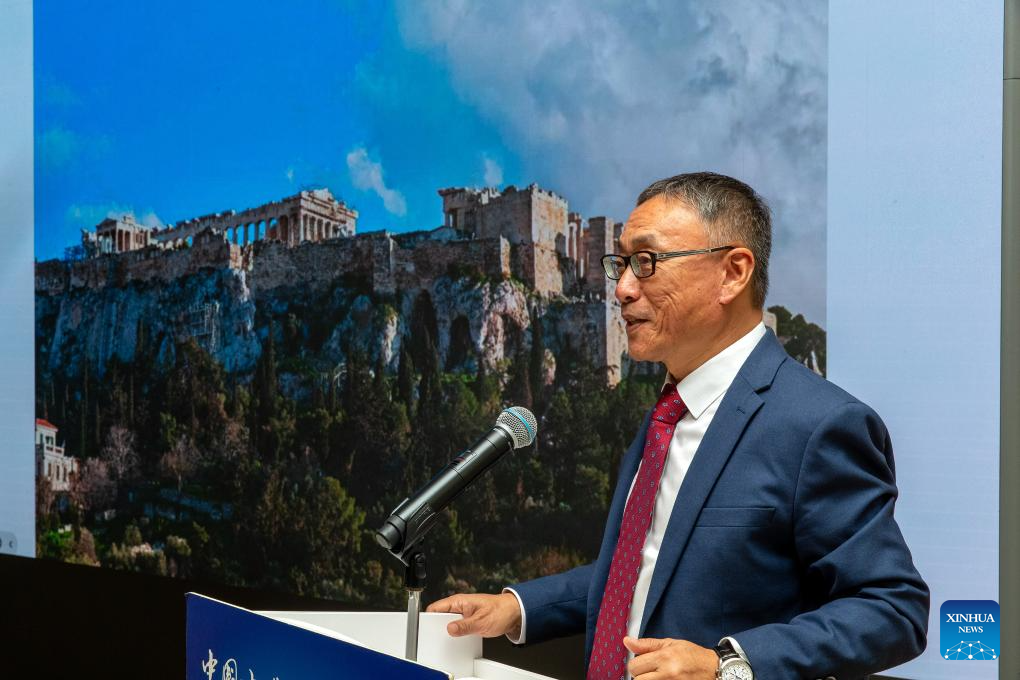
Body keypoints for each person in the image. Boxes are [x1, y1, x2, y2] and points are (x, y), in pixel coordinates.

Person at [427, 172, 929, 680]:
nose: (623, 288)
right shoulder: (666, 415)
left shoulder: (819, 424)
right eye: (621, 264)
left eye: (647, 262)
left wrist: (727, 664)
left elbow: (893, 607)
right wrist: (518, 607)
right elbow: (644, 570)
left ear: (732, 273)